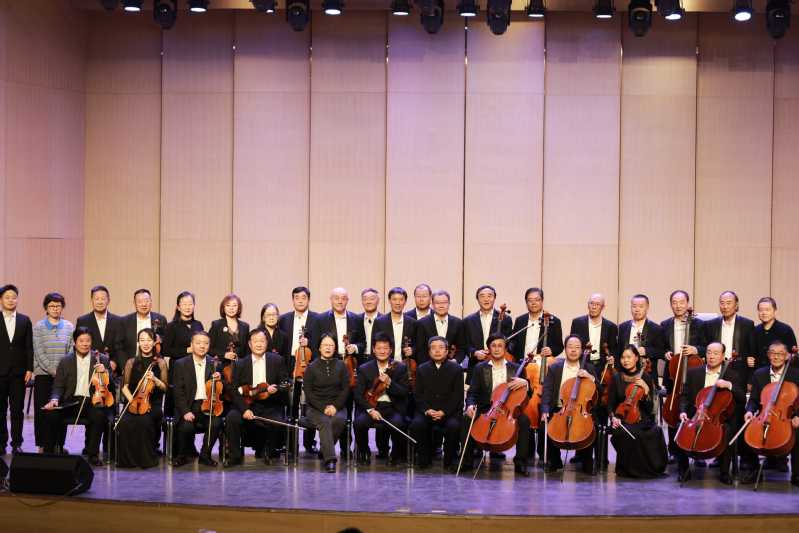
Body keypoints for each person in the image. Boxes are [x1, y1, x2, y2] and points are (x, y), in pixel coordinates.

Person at [41, 327, 114, 466]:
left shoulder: (101, 359)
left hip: (92, 400)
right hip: (70, 401)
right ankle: (49, 453)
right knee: (51, 414)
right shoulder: (65, 361)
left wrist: (104, 371)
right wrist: (54, 399)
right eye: (81, 341)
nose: (85, 344)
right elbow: (58, 385)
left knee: (98, 415)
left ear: (91, 342)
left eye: (88, 341)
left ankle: (92, 454)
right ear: (75, 342)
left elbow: (110, 383)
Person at [677, 342, 745, 485]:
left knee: (727, 430)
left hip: (718, 418)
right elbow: (684, 396)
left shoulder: (732, 375)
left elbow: (742, 397)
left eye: (715, 353)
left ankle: (724, 472)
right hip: (697, 415)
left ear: (723, 356)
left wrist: (729, 385)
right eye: (709, 352)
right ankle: (683, 470)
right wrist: (682, 412)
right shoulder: (693, 372)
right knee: (680, 426)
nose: (711, 356)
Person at [464, 333, 531, 476]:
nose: (496, 349)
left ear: (505, 348)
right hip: (486, 409)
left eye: (500, 346)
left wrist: (526, 383)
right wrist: (469, 405)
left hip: (508, 410)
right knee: (466, 418)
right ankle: (467, 460)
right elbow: (472, 393)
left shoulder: (517, 368)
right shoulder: (480, 368)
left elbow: (527, 395)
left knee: (524, 421)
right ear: (489, 348)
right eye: (493, 346)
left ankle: (520, 462)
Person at [224, 328, 289, 467]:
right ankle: (235, 456)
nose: (259, 344)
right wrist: (244, 409)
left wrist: (275, 389)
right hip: (247, 403)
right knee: (232, 418)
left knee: (277, 421)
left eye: (262, 341)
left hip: (270, 404)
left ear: (267, 343)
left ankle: (268, 452)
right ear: (249, 344)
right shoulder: (240, 364)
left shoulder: (277, 360)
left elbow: (285, 382)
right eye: (255, 341)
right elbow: (234, 390)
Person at [540, 335, 598, 474]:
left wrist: (590, 378)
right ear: (565, 349)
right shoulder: (555, 368)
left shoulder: (589, 368)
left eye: (577, 347)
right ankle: (554, 461)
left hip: (581, 409)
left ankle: (586, 461)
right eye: (570, 347)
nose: (573, 350)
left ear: (582, 350)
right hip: (559, 408)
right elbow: (547, 390)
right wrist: (545, 410)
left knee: (591, 426)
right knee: (545, 425)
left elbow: (599, 390)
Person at [744, 341, 799, 487]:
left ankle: (797, 474)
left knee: (798, 432)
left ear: (787, 356)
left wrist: (797, 416)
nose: (776, 357)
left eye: (780, 354)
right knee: (749, 431)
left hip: (788, 417)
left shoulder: (796, 374)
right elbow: (754, 400)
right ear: (768, 355)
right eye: (773, 353)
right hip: (765, 414)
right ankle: (754, 470)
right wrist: (749, 411)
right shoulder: (759, 374)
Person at [607, 345, 667, 478]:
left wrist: (646, 391)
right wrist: (613, 417)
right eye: (623, 357)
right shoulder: (616, 378)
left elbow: (650, 408)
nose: (625, 360)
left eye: (629, 357)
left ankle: (645, 469)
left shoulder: (645, 377)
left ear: (636, 358)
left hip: (642, 417)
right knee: (626, 433)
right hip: (621, 418)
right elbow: (610, 404)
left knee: (646, 432)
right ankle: (627, 469)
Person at [353, 333, 409, 465]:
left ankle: (395, 455)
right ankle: (364, 452)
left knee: (399, 424)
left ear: (391, 350)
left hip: (392, 407)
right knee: (359, 423)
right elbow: (358, 395)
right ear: (373, 349)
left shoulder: (400, 368)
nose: (382, 351)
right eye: (379, 348)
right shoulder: (364, 368)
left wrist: (390, 383)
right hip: (372, 406)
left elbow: (404, 392)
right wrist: (370, 410)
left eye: (385, 348)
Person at [116, 328, 168, 468]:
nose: (146, 343)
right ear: (138, 342)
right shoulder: (131, 362)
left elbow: (165, 387)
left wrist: (155, 379)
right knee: (124, 423)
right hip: (133, 402)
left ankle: (146, 459)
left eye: (149, 340)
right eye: (142, 340)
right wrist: (132, 401)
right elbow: (124, 386)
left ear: (154, 342)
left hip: (153, 404)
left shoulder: (160, 363)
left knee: (144, 421)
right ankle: (127, 460)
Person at [409, 336, 464, 470]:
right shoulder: (422, 368)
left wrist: (444, 412)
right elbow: (418, 394)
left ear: (447, 351)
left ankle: (449, 461)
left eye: (441, 347)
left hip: (448, 412)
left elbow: (457, 396)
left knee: (454, 425)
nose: (437, 351)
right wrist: (427, 410)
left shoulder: (456, 369)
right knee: (417, 424)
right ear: (429, 352)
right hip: (427, 410)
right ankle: (424, 459)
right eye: (433, 348)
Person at [278, 286, 320, 454]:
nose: (300, 301)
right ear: (293, 300)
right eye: (297, 298)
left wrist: (310, 345)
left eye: (304, 297)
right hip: (290, 363)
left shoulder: (317, 319)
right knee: (290, 405)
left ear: (308, 300)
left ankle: (309, 443)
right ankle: (290, 444)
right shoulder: (284, 319)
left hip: (310, 362)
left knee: (309, 404)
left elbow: (322, 343)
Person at [171, 331, 223, 467]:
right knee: (186, 426)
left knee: (216, 423)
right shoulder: (180, 364)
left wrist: (220, 378)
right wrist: (185, 411)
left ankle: (205, 455)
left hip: (208, 404)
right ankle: (182, 455)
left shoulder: (214, 363)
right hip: (189, 405)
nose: (202, 346)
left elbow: (221, 388)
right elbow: (178, 391)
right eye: (198, 343)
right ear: (192, 345)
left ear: (209, 345)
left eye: (206, 343)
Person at [32, 292, 74, 452]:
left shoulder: (69, 326)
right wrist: (52, 370)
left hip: (63, 376)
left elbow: (71, 350)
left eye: (58, 306)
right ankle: (42, 445)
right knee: (42, 411)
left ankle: (58, 444)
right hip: (43, 375)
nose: (55, 308)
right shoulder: (38, 327)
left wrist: (62, 372)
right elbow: (38, 352)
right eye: (51, 306)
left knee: (60, 411)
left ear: (62, 307)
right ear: (46, 308)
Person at [302, 333, 349, 473]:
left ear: (335, 348)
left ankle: (324, 450)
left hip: (337, 405)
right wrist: (323, 408)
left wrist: (335, 406)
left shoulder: (341, 365)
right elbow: (308, 392)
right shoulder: (311, 367)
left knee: (338, 420)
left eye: (331, 345)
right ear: (319, 348)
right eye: (325, 345)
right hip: (315, 407)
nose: (328, 348)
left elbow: (345, 389)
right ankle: (330, 460)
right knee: (324, 421)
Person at [0, 284, 34, 456]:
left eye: (14, 297)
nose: (11, 300)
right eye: (7, 297)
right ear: (1, 300)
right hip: (0, 372)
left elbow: (29, 347)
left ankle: (17, 443)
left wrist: (29, 369)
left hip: (19, 373)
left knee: (17, 410)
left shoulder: (24, 320)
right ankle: (1, 444)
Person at [161, 291, 204, 418]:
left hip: (196, 368)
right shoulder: (171, 326)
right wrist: (187, 350)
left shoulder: (198, 325)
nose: (187, 307)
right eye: (184, 304)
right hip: (178, 369)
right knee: (175, 404)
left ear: (194, 306)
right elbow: (165, 350)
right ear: (178, 307)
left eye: (190, 304)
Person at [463, 285, 512, 381]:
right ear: (477, 299)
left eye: (489, 296)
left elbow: (510, 341)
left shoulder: (506, 319)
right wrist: (474, 353)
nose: (486, 299)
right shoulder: (468, 320)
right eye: (482, 296)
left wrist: (501, 351)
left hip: (500, 366)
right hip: (475, 366)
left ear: (494, 298)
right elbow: (464, 344)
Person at [616, 294, 665, 382]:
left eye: (641, 306)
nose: (637, 309)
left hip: (647, 374)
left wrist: (646, 351)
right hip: (624, 375)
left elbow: (662, 352)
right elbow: (618, 351)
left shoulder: (656, 329)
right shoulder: (622, 327)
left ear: (647, 308)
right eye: (634, 306)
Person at [76, 285, 125, 373]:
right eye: (97, 299)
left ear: (108, 300)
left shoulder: (118, 321)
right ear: (91, 300)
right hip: (89, 368)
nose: (100, 302)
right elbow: (79, 345)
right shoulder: (82, 321)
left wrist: (115, 362)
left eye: (103, 299)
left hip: (112, 370)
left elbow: (120, 346)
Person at [569, 293, 619, 375]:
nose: (594, 307)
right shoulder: (577, 323)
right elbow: (572, 344)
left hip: (602, 367)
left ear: (603, 307)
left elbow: (613, 349)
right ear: (588, 305)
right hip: (582, 364)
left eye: (597, 304)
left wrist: (612, 358)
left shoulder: (611, 327)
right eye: (591, 303)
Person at [509, 287, 563, 362]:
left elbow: (559, 347)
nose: (533, 303)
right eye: (530, 300)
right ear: (526, 302)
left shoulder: (554, 321)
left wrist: (551, 351)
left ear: (542, 301)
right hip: (521, 364)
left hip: (542, 365)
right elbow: (514, 343)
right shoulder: (520, 320)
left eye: (537, 300)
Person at [121, 289, 167, 372]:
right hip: (132, 366)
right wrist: (125, 366)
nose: (144, 304)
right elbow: (119, 346)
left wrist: (160, 339)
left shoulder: (160, 319)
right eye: (140, 301)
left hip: (155, 365)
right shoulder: (125, 321)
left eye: (146, 301)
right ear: (134, 303)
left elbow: (166, 339)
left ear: (151, 302)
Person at [416, 289, 466, 365]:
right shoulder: (422, 323)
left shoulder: (458, 323)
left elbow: (462, 348)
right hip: (428, 367)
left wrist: (455, 361)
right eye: (437, 303)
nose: (441, 306)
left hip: (451, 366)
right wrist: (427, 366)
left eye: (444, 302)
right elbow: (420, 349)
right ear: (432, 304)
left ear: (449, 304)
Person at [372, 287, 416, 364]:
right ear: (389, 301)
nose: (397, 303)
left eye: (401, 300)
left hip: (405, 364)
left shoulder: (412, 322)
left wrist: (412, 350)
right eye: (394, 299)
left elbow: (417, 345)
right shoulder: (379, 322)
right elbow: (374, 345)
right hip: (385, 363)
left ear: (405, 301)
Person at [752, 297, 797, 370]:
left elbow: (793, 356)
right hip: (758, 373)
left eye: (767, 310)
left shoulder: (785, 329)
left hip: (780, 372)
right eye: (761, 310)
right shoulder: (754, 330)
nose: (764, 313)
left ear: (775, 311)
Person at [208, 293, 250, 369]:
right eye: (228, 305)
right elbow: (209, 348)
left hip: (240, 367)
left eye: (234, 305)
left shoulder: (245, 326)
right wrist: (224, 354)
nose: (231, 308)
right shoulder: (216, 325)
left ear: (239, 308)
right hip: (221, 367)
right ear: (223, 308)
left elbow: (247, 350)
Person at [357, 288, 382, 358]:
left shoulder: (384, 320)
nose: (368, 302)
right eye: (365, 299)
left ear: (378, 301)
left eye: (372, 299)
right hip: (359, 358)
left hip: (378, 358)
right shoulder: (356, 319)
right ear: (362, 302)